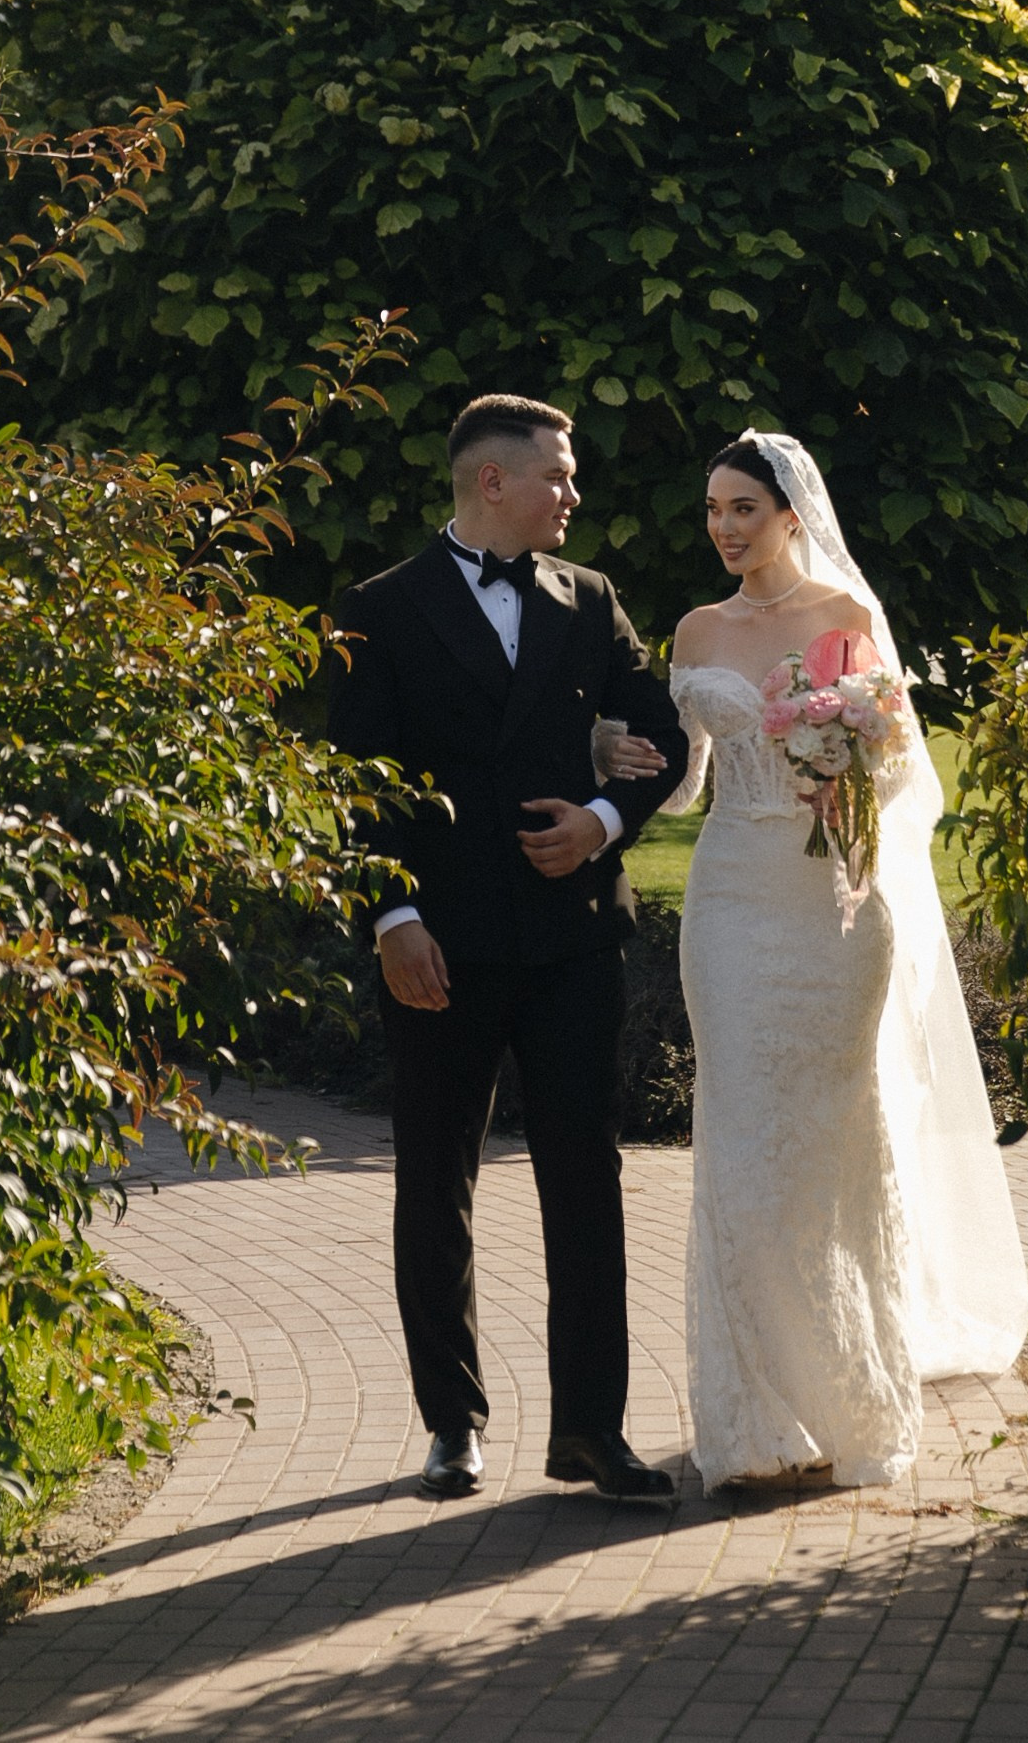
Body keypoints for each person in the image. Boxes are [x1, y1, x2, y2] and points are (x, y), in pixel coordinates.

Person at [327, 394, 690, 1503]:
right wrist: (391, 922)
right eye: (557, 477)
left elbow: (664, 734)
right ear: (492, 481)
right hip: (440, 942)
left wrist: (603, 820)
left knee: (586, 1178)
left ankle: (591, 1428)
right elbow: (351, 788)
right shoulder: (376, 609)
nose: (573, 495)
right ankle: (452, 1424)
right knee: (435, 1182)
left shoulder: (592, 600)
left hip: (573, 935)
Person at [662, 430, 1028, 1490]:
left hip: (831, 908)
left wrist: (845, 741)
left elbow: (901, 763)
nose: (723, 527)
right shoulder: (694, 627)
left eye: (741, 506)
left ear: (790, 511)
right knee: (738, 1135)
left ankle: (843, 1394)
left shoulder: (843, 620)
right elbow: (685, 784)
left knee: (828, 1146)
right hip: (730, 895)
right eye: (712, 508)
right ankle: (751, 1418)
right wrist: (618, 764)